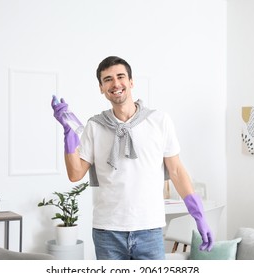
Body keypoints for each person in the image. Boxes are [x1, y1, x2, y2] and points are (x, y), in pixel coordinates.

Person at [51, 56, 213, 260]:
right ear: (101, 87)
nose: (116, 83)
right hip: (107, 232)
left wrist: (199, 216)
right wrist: (68, 133)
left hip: (150, 230)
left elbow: (177, 171)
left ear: (131, 82)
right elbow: (75, 174)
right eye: (108, 79)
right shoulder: (95, 126)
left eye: (121, 77)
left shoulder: (159, 121)